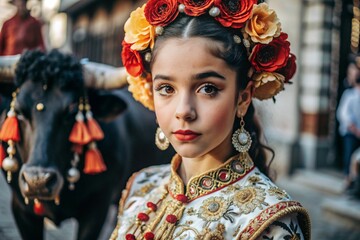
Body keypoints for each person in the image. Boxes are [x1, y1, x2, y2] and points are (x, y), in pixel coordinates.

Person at [111, 1, 310, 239]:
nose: (184, 111)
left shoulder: (271, 222)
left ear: (243, 98)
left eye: (208, 89)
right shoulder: (141, 186)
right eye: (166, 88)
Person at [337, 60, 360, 190]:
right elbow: (343, 115)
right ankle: (347, 180)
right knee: (349, 154)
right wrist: (355, 130)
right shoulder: (349, 94)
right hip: (351, 133)